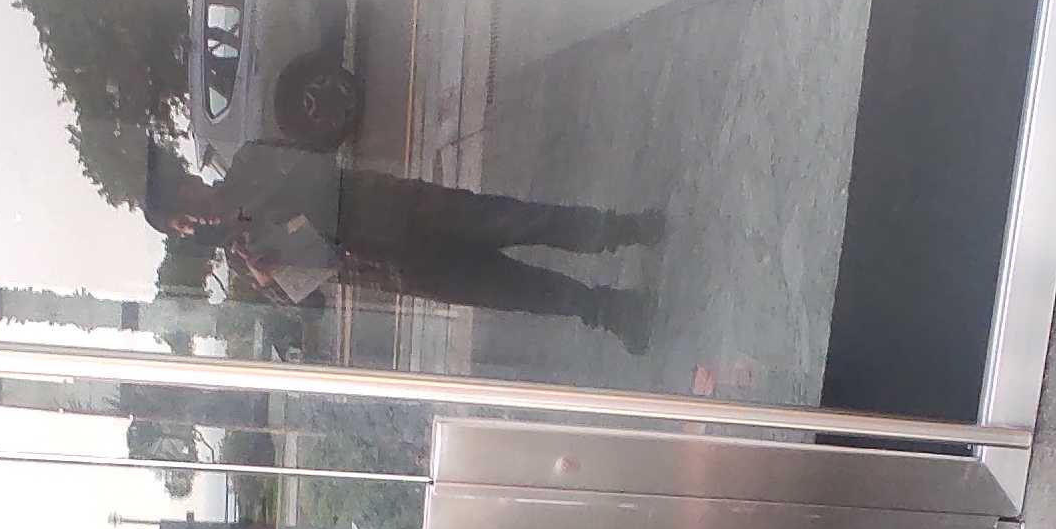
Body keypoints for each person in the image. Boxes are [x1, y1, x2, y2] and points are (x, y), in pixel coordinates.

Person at [144, 141, 666, 353]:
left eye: (185, 203)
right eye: (183, 225)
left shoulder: (250, 162)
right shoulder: (244, 261)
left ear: (191, 180)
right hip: (396, 269)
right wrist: (271, 279)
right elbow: (315, 306)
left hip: (405, 212)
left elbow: (320, 170)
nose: (194, 219)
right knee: (511, 290)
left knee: (519, 220)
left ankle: (620, 230)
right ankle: (608, 309)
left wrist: (274, 221)